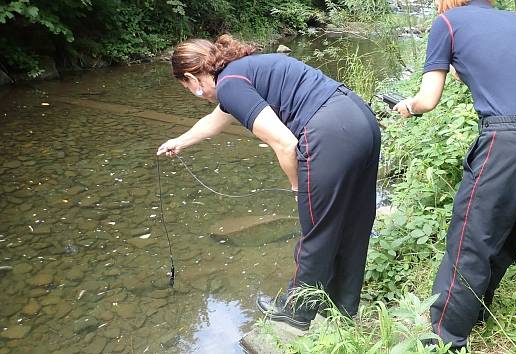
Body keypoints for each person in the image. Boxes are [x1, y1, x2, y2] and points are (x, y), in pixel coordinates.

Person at [157, 35, 381, 330]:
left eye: (187, 87)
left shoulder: (229, 85)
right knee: (354, 223)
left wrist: (297, 186)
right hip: (361, 120)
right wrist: (179, 142)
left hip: (330, 132)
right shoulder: (243, 71)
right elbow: (214, 122)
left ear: (190, 77)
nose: (193, 93)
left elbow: (285, 143)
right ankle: (343, 307)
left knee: (317, 229)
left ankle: (297, 311)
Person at [392, 0, 516, 349]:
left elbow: (428, 99)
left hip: (507, 144)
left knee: (471, 239)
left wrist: (407, 106)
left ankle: (444, 340)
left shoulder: (448, 24)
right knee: (508, 232)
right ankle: (477, 310)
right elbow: (507, 71)